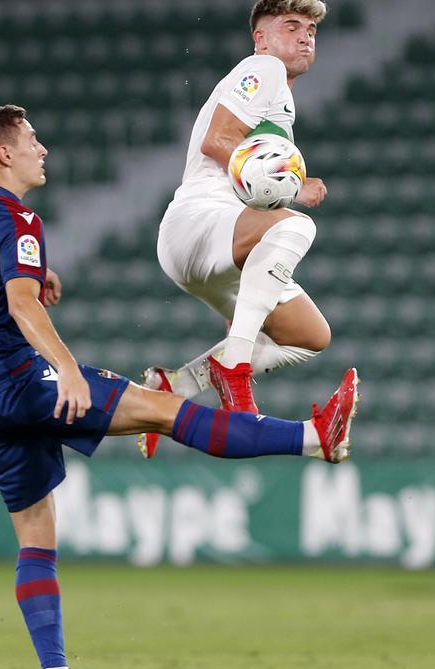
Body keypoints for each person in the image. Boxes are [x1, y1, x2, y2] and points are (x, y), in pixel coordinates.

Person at [0, 104, 359, 669]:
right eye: (32, 139)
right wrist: (65, 368)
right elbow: (18, 306)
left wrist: (39, 276)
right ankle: (315, 437)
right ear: (4, 153)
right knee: (165, 412)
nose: (42, 149)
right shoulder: (20, 220)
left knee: (36, 537)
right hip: (23, 380)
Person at [144, 0, 337, 455]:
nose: (306, 35)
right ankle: (235, 364)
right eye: (291, 26)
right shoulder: (262, 69)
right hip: (199, 222)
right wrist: (292, 189)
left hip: (217, 243)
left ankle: (174, 387)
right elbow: (217, 141)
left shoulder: (281, 97)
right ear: (261, 37)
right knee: (296, 228)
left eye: (310, 28)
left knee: (310, 336)